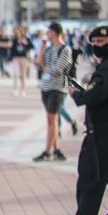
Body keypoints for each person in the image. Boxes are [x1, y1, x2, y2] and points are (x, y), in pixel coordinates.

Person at [64, 26, 108, 215]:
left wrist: (77, 94)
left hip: (103, 137)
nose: (97, 44)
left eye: (101, 40)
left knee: (90, 185)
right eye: (94, 40)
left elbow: (94, 96)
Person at [34, 22, 72, 162]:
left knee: (52, 118)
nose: (47, 35)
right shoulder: (49, 49)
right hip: (46, 87)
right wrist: (43, 47)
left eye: (49, 32)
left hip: (57, 88)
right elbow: (38, 62)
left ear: (55, 33)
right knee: (51, 119)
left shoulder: (65, 49)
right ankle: (56, 150)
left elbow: (58, 70)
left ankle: (47, 151)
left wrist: (46, 69)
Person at [10, 25, 34, 96]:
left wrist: (25, 43)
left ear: (21, 32)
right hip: (16, 58)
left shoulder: (26, 38)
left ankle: (23, 90)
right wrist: (11, 58)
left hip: (24, 58)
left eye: (18, 32)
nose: (17, 34)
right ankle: (15, 89)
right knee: (15, 74)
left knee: (23, 75)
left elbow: (31, 46)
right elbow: (12, 50)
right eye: (16, 32)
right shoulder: (14, 40)